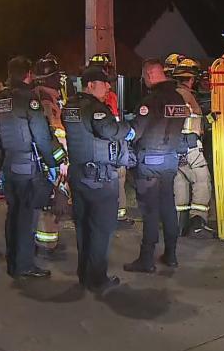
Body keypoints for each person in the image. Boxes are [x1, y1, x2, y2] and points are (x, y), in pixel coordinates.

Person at [63, 66, 134, 293]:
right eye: (104, 83)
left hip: (78, 174)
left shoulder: (71, 106)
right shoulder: (94, 108)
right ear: (91, 85)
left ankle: (84, 274)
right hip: (99, 178)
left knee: (83, 227)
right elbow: (108, 130)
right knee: (101, 229)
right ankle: (97, 279)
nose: (108, 87)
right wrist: (128, 128)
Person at [0, 56, 58, 279]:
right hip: (27, 167)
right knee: (27, 217)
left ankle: (13, 263)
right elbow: (41, 136)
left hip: (9, 165)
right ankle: (25, 265)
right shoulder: (29, 99)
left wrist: (1, 164)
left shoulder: (1, 99)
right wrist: (52, 163)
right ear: (28, 74)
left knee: (13, 215)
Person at [124, 59, 188, 272]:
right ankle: (171, 255)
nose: (144, 81)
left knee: (150, 211)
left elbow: (136, 131)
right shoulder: (178, 99)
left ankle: (146, 260)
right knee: (168, 206)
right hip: (170, 159)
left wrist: (123, 131)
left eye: (144, 77)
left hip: (150, 161)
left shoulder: (150, 101)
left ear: (150, 75)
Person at [169, 56, 215, 238]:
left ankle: (179, 225)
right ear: (191, 79)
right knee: (202, 181)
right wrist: (213, 118)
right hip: (189, 147)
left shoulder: (170, 95)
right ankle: (198, 223)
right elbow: (196, 122)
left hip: (173, 149)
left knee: (180, 184)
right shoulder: (187, 96)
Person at [31, 53, 69, 257]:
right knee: (52, 202)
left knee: (48, 201)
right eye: (56, 76)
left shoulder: (41, 96)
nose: (59, 80)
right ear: (49, 78)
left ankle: (45, 243)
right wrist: (61, 159)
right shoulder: (46, 101)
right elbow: (53, 133)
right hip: (52, 160)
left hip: (48, 158)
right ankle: (47, 246)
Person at [86, 53, 130, 223]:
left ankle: (112, 213)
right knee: (115, 177)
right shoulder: (106, 96)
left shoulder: (85, 97)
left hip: (102, 145)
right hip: (108, 145)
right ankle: (114, 213)